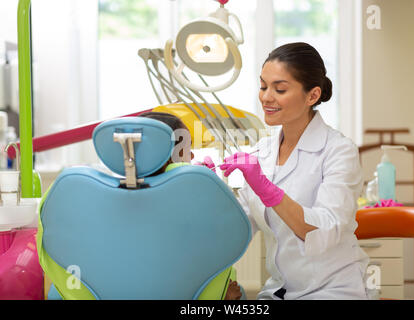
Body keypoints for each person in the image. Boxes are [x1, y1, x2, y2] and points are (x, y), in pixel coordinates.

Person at [219, 42, 370, 300]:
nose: (266, 97)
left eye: (279, 89)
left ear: (312, 96)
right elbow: (236, 227)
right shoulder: (262, 152)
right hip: (279, 291)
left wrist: (268, 190)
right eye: (263, 86)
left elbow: (324, 231)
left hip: (333, 290)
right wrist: (203, 189)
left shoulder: (338, 151)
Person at [138, 111, 242, 300]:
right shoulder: (188, 200)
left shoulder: (120, 194)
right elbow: (217, 248)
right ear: (167, 156)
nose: (192, 153)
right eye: (187, 147)